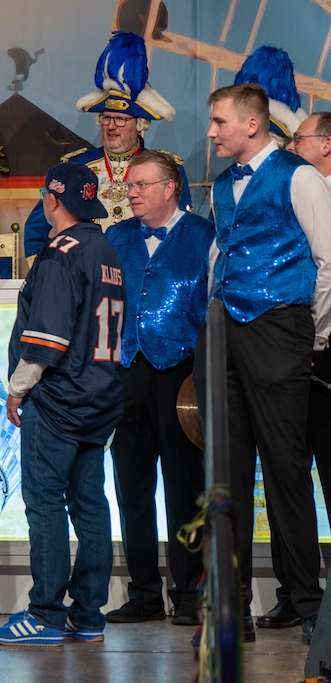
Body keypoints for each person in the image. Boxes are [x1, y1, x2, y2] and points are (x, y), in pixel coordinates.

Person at [201, 82, 331, 645]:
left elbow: (328, 260)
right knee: (226, 476)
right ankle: (230, 610)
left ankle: (308, 604)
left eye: (219, 122)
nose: (210, 132)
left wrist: (310, 333)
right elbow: (222, 253)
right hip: (226, 332)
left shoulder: (299, 175)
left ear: (252, 124)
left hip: (280, 328)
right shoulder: (223, 187)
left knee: (285, 469)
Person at [0, 162, 124, 646]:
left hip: (59, 398)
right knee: (90, 504)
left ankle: (44, 614)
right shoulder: (105, 247)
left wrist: (18, 387)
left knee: (45, 503)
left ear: (51, 200)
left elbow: (46, 338)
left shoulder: (60, 253)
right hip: (100, 396)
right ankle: (88, 613)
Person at [103, 151, 213, 627]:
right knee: (130, 486)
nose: (131, 192)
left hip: (182, 375)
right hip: (126, 373)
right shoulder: (115, 237)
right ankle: (144, 592)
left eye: (142, 185)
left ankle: (188, 593)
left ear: (170, 188)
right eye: (129, 186)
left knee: (184, 486)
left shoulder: (206, 236)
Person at [23, 31, 191, 261]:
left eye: (121, 119)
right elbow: (35, 233)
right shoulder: (76, 166)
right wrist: (49, 275)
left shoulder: (168, 169)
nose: (111, 126)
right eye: (106, 118)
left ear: (140, 124)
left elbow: (184, 232)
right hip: (88, 284)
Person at [260, 110, 331, 633]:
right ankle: (297, 591)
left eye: (300, 137)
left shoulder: (311, 190)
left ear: (326, 145)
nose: (291, 144)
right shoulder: (284, 192)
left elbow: (328, 268)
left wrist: (316, 334)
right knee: (286, 476)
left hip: (320, 350)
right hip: (288, 353)